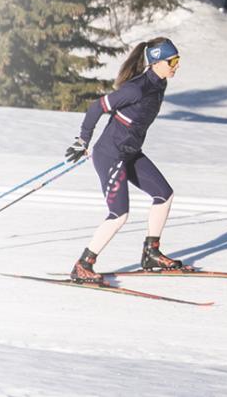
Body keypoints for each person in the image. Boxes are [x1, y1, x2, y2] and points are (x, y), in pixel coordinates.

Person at [65, 37, 184, 283]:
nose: (176, 65)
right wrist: (83, 140)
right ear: (156, 61)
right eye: (172, 61)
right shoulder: (136, 89)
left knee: (164, 194)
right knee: (119, 214)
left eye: (177, 60)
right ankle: (83, 265)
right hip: (111, 155)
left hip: (130, 152)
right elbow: (97, 107)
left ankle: (151, 253)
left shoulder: (159, 83)